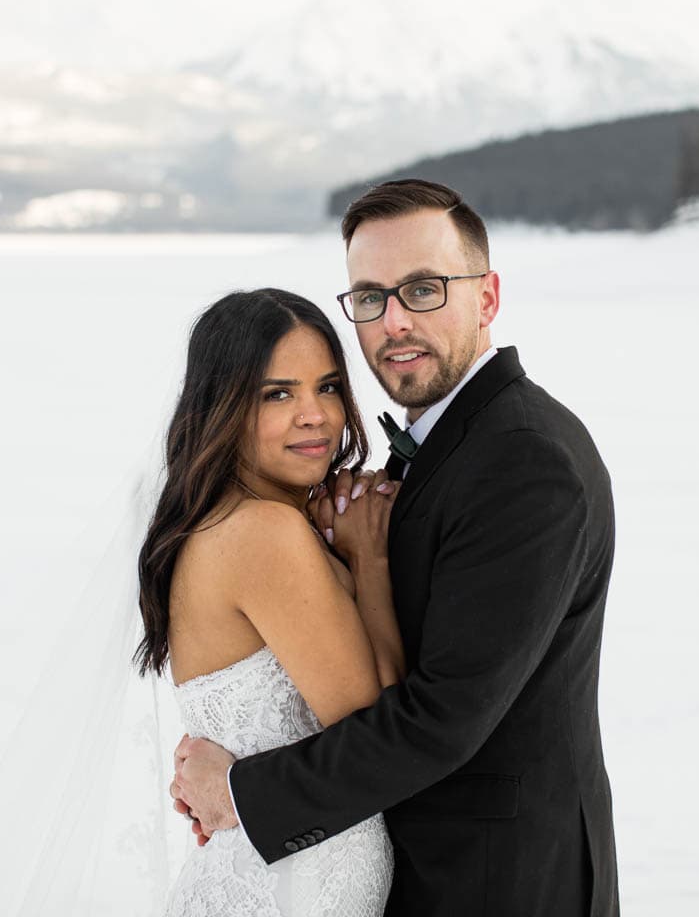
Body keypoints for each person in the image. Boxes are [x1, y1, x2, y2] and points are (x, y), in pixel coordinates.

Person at [173, 179, 620, 916]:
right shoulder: (439, 452)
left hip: (499, 884)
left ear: (487, 296)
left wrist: (241, 791)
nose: (393, 321)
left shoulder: (525, 461)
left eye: (422, 289)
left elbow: (439, 719)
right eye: (371, 297)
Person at [136, 288, 403, 915]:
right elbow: (379, 730)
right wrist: (371, 561)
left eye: (329, 387)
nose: (315, 415)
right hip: (287, 889)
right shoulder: (263, 534)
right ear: (223, 407)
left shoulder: (231, 521)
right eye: (277, 394)